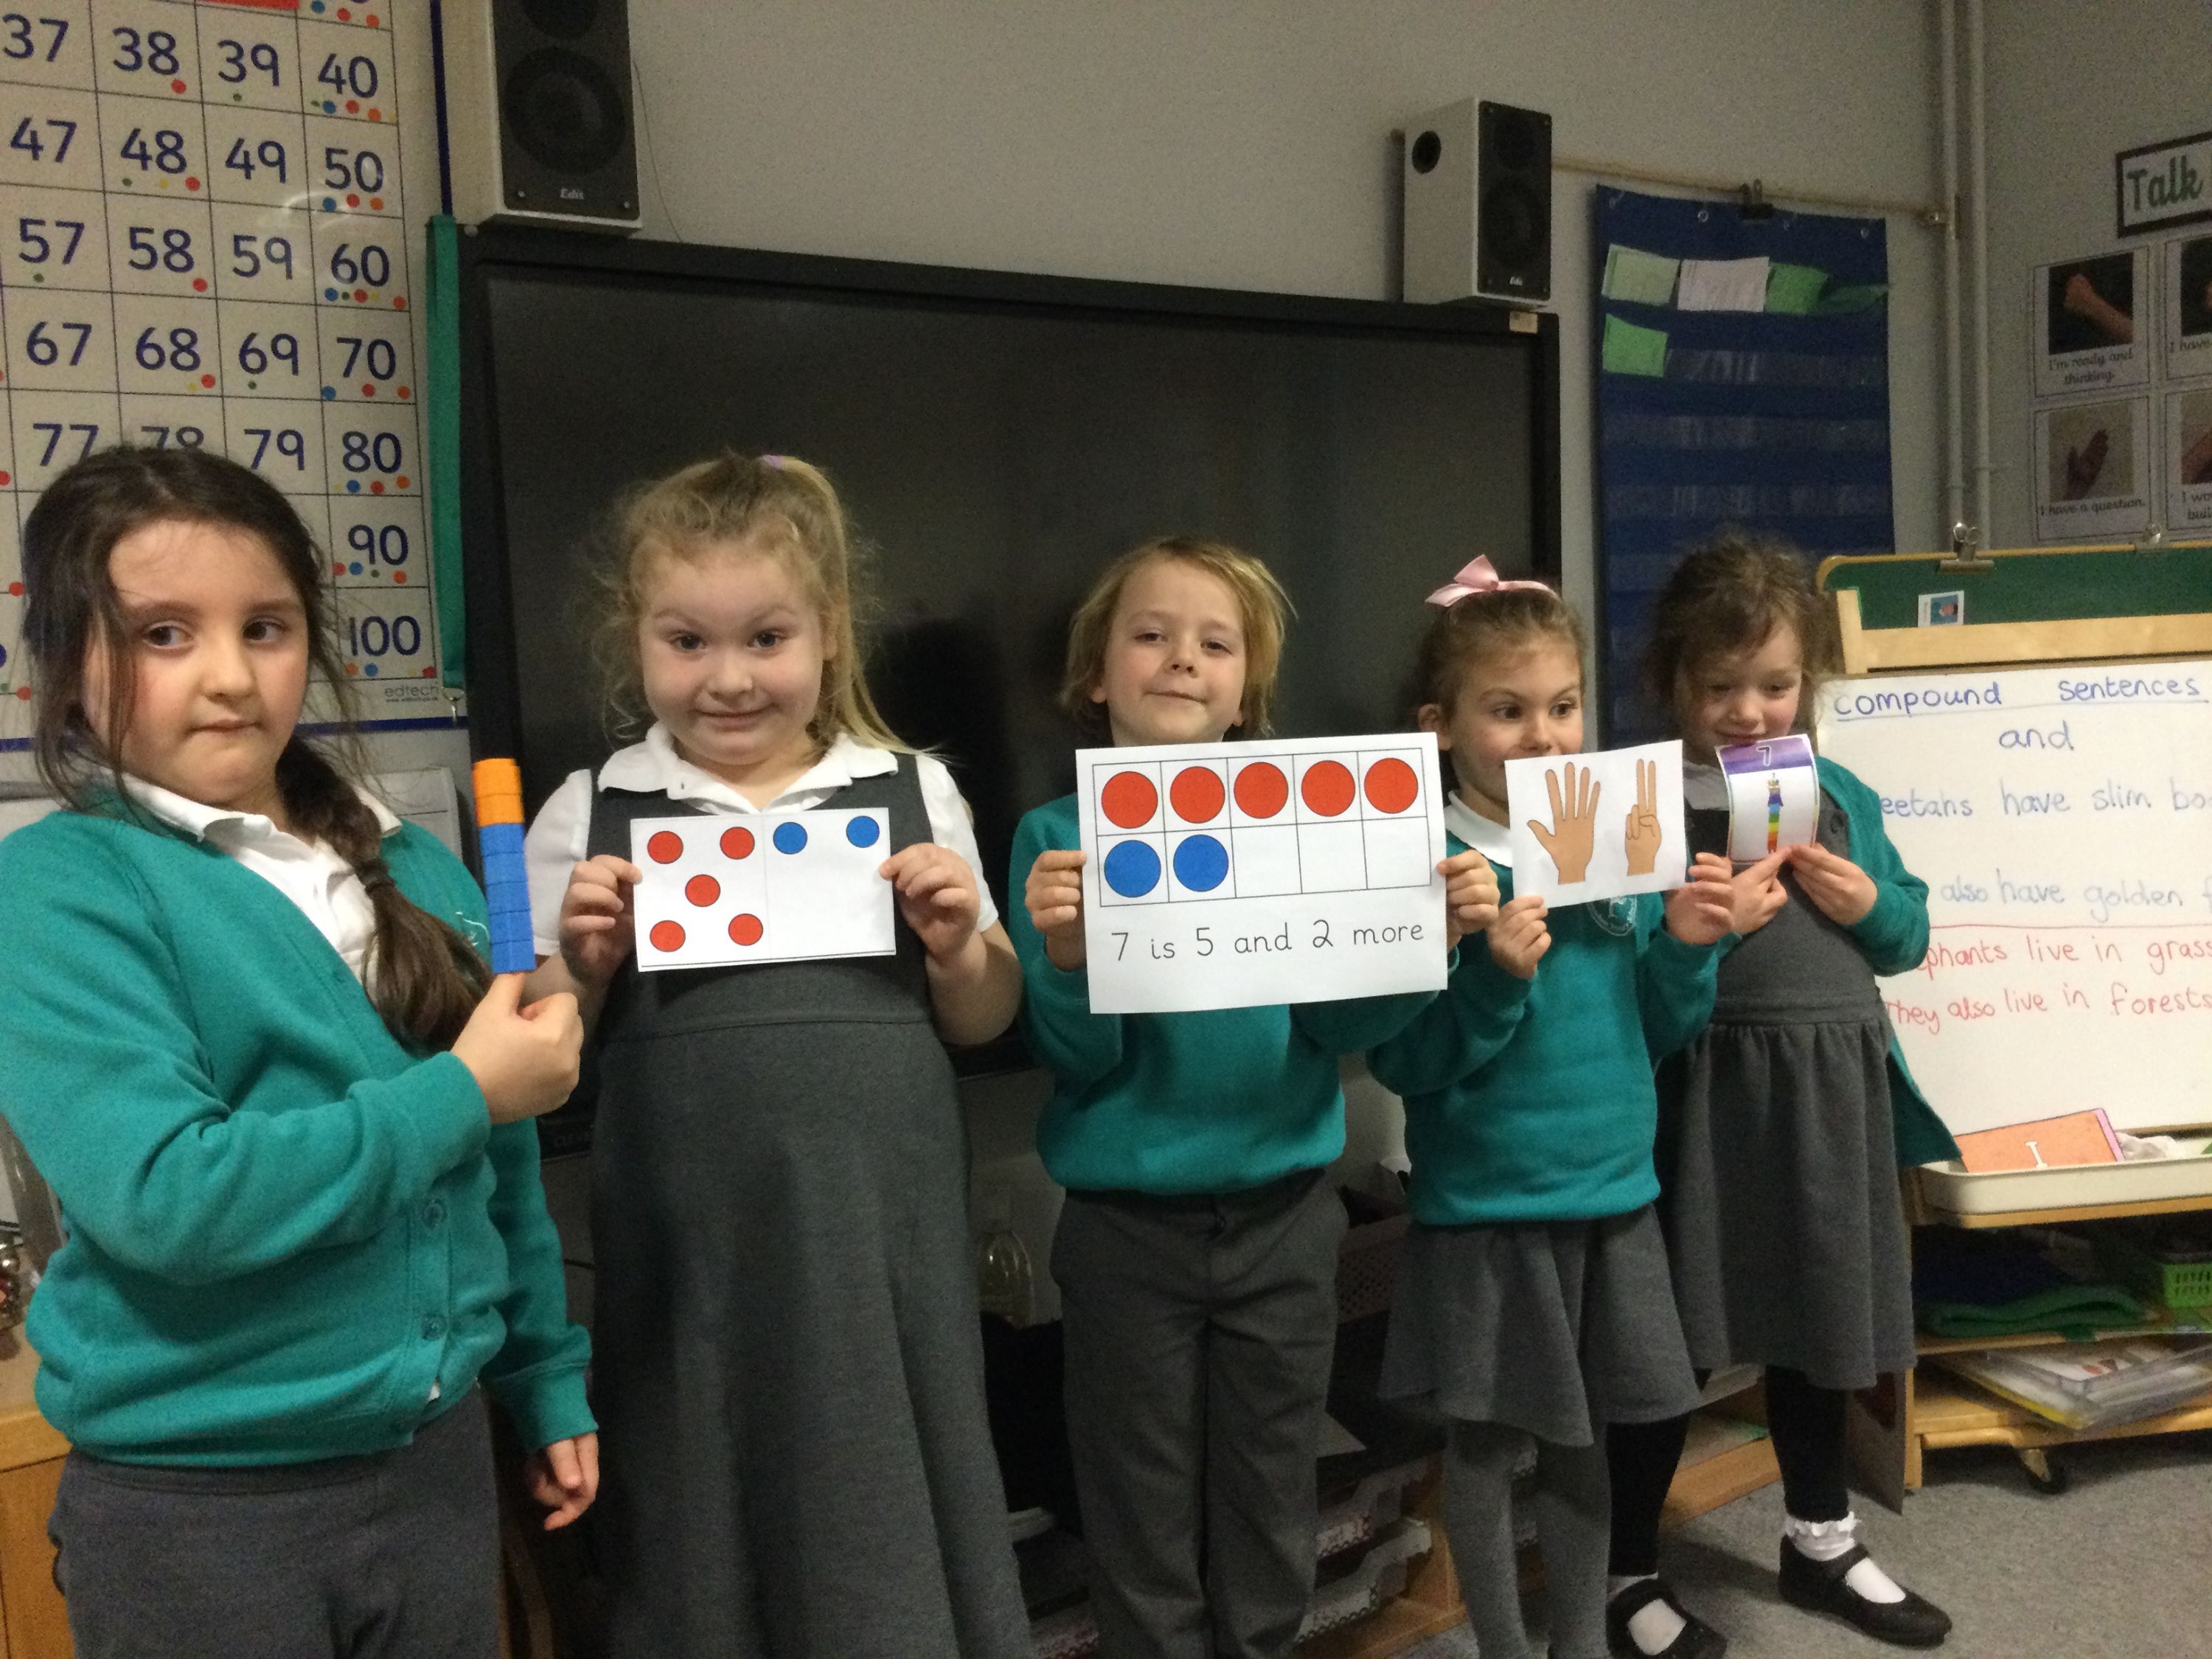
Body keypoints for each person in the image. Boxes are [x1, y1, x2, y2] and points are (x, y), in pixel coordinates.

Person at [0, 445, 593, 1659]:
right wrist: (463, 1089)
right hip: (203, 1509)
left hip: (433, 1467)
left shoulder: (413, 866)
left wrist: (543, 1375)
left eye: (264, 628)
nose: (229, 676)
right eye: (164, 634)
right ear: (66, 664)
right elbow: (170, 1196)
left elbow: (503, 1169)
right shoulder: (59, 888)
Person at [524, 450, 1030, 1657]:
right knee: (699, 1495)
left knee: (888, 1484)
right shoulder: (591, 810)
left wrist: (959, 944)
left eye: (766, 637)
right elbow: (541, 1050)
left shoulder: (913, 791)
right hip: (689, 1247)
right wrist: (580, 966)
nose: (730, 677)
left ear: (830, 631)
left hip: (881, 1233)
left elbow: (985, 1014)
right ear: (635, 639)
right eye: (687, 641)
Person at [1012, 536, 1496, 1659]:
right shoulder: (1055, 840)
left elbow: (1338, 1029)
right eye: (1151, 635)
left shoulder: (1298, 826)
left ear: (1246, 695)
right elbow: (1074, 1058)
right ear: (1096, 675)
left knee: (1274, 1490)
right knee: (1137, 1502)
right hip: (1127, 1232)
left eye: (1215, 644)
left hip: (1285, 1219)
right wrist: (1073, 960)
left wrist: (1423, 944)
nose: (1183, 659)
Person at [1366, 558, 1736, 1659]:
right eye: (1508, 710)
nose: (1544, 736)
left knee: (1588, 1442)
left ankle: (1579, 1640)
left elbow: (1653, 1028)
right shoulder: (1426, 861)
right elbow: (1403, 1059)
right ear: (1439, 726)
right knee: (1486, 1449)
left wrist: (1686, 950)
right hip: (1489, 1205)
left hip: (1610, 1192)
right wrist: (1490, 978)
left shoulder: (1615, 834)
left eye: (1564, 706)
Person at [1604, 534, 1957, 1656]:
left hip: (1830, 1100)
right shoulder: (1635, 807)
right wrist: (1700, 940)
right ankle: (1626, 1567)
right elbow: (1630, 1005)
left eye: (1776, 684)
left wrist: (1870, 907)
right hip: (1703, 1108)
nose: (1751, 711)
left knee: (1820, 1318)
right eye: (1721, 687)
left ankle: (1822, 1539)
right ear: (1672, 680)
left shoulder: (1839, 794)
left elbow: (1908, 934)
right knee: (1669, 1346)